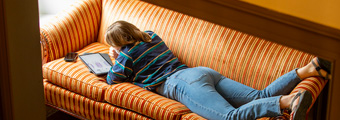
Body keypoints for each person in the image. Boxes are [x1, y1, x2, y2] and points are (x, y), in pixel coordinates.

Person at [105, 21, 331, 120]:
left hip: (181, 84)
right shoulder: (152, 35)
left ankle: (288, 102)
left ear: (119, 43)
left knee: (230, 117)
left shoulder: (126, 55)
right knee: (259, 95)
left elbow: (111, 79)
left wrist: (114, 57)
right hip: (201, 72)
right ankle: (308, 69)